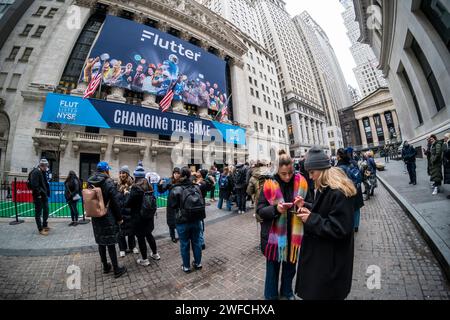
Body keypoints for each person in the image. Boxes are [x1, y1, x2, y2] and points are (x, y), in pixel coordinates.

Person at [295, 147, 357, 300]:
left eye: (312, 172)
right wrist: (307, 206)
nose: (310, 177)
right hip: (325, 260)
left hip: (330, 265)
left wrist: (311, 219)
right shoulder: (327, 188)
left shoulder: (338, 192)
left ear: (322, 170)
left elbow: (339, 228)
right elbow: (325, 211)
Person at [256, 150, 310, 300]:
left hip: (294, 234)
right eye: (283, 173)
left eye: (290, 173)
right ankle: (271, 295)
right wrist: (276, 209)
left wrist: (303, 204)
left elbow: (312, 205)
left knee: (290, 267)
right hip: (274, 238)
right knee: (272, 268)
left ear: (293, 169)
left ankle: (287, 291)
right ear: (277, 170)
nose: (287, 177)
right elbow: (260, 211)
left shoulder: (302, 182)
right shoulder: (268, 184)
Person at [87, 162, 127, 278]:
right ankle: (116, 269)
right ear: (106, 170)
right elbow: (115, 203)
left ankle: (105, 266)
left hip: (96, 215)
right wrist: (119, 218)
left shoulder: (90, 181)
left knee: (101, 241)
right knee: (110, 243)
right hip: (108, 216)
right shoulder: (108, 182)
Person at [169, 167, 205, 273]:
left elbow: (173, 205)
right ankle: (198, 263)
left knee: (184, 244)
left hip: (182, 221)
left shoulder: (176, 189)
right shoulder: (196, 187)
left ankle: (186, 266)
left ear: (180, 175)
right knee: (197, 242)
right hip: (196, 219)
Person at [125, 162, 160, 266]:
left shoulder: (135, 188)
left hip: (138, 218)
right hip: (148, 217)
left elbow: (128, 204)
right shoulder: (148, 186)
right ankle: (155, 254)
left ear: (135, 176)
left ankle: (144, 259)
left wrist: (127, 194)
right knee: (149, 235)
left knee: (141, 238)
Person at [336, 149, 364, 233]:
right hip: (356, 189)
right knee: (356, 208)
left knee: (349, 209)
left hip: (347, 191)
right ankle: (356, 226)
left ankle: (350, 226)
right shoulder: (353, 162)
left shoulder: (339, 167)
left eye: (337, 155)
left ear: (339, 156)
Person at [117, 166, 138, 257]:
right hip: (120, 212)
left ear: (127, 174)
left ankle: (132, 246)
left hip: (130, 211)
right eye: (121, 173)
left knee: (131, 231)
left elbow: (134, 198)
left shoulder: (132, 185)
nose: (122, 175)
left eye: (124, 173)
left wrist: (128, 194)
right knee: (121, 232)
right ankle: (122, 248)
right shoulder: (117, 185)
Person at [158, 167, 181, 243]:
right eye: (175, 173)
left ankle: (181, 235)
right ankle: (173, 236)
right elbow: (161, 190)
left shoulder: (182, 181)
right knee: (171, 220)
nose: (176, 175)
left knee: (180, 219)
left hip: (180, 203)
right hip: (171, 203)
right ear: (173, 174)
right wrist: (159, 185)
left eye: (178, 173)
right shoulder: (170, 181)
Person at [29, 159, 51, 236]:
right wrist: (38, 195)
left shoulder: (43, 172)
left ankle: (44, 224)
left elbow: (45, 183)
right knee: (38, 213)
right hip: (38, 196)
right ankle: (40, 229)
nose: (47, 167)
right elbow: (35, 185)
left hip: (44, 195)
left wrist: (46, 192)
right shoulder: (36, 172)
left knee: (46, 210)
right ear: (42, 165)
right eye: (46, 166)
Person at [443, 133, 450, 199]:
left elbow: (448, 152)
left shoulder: (448, 143)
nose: (444, 138)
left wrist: (445, 150)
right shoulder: (446, 143)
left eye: (445, 137)